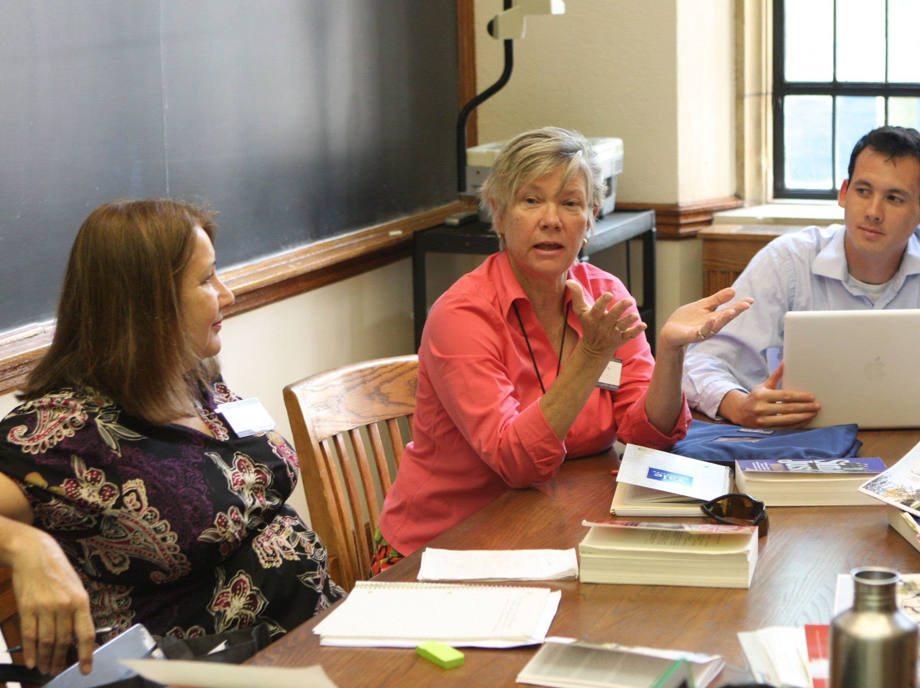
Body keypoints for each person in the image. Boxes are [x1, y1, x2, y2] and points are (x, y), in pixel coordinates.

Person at [374, 127, 750, 569]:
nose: (551, 219)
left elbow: (645, 435)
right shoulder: (462, 315)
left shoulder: (605, 293)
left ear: (590, 219)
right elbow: (516, 463)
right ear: (498, 212)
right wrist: (591, 356)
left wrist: (670, 352)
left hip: (552, 525)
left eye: (570, 203)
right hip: (443, 548)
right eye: (531, 201)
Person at [0, 200, 344, 676]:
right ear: (146, 302)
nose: (228, 295)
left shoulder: (195, 378)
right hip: (216, 672)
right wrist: (24, 546)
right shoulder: (63, 432)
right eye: (206, 281)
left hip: (321, 636)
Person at [683, 126, 920, 428]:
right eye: (863, 191)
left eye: (894, 198)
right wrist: (738, 406)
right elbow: (699, 364)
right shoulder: (788, 260)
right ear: (844, 193)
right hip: (802, 441)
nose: (873, 211)